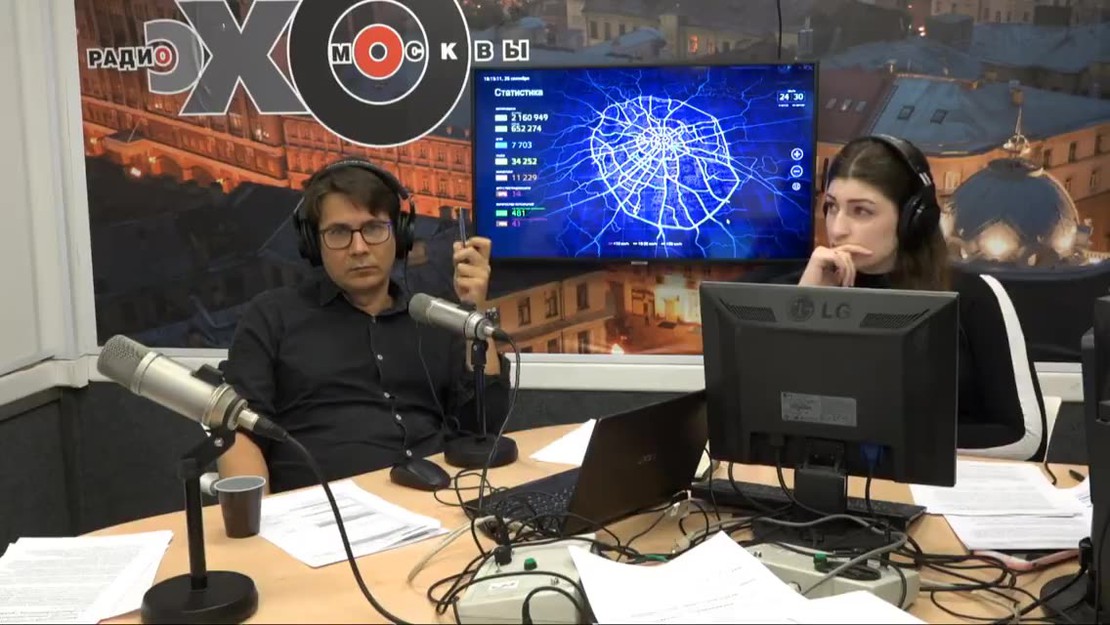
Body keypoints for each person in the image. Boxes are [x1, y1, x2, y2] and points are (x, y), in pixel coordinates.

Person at [217, 158, 509, 492]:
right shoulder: (272, 316)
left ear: (399, 235)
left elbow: (483, 427)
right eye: (339, 232)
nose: (358, 248)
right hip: (323, 510)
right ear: (313, 243)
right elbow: (238, 431)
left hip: (436, 500)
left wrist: (475, 310)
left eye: (373, 228)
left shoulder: (433, 317)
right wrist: (259, 517)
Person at [797, 135, 1047, 459]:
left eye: (861, 211)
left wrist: (888, 439)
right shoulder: (815, 285)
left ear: (912, 219)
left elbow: (1025, 438)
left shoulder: (976, 297)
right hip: (839, 483)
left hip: (943, 485)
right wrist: (803, 307)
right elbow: (775, 417)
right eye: (831, 207)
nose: (837, 228)